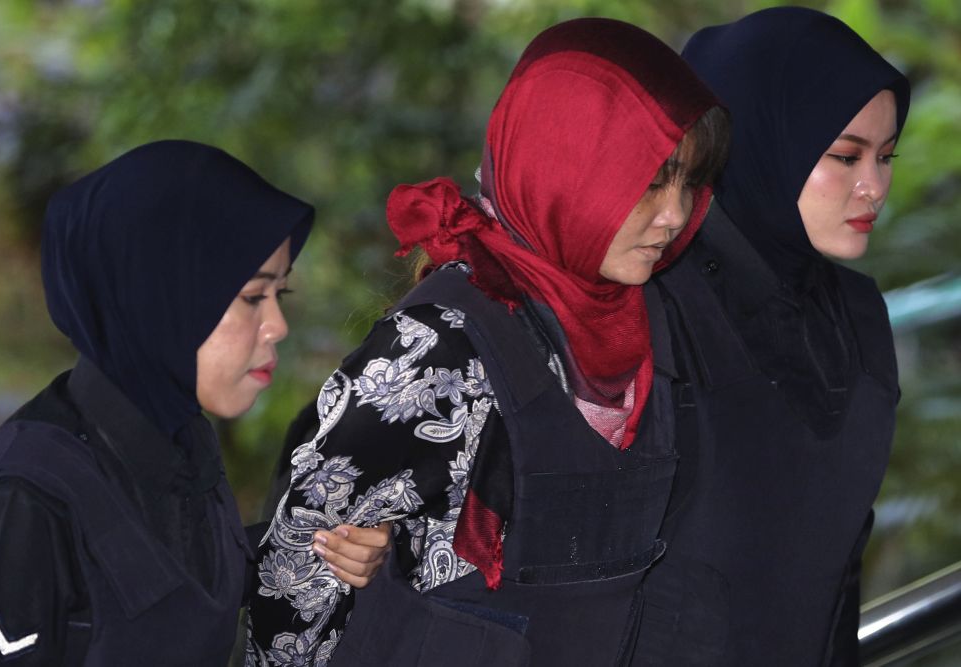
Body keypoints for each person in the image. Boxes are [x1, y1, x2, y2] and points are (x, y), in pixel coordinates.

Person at [246, 18, 730, 666]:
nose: (673, 215)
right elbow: (292, 570)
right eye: (647, 181)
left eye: (688, 183)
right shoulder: (441, 345)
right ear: (564, 164)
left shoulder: (646, 323)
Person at [0, 140, 317, 665]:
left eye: (278, 295)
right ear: (158, 293)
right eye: (250, 297)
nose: (278, 327)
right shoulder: (23, 500)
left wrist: (317, 549)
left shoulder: (177, 442)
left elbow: (167, 588)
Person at [634, 7, 911, 665]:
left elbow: (837, 574)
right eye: (844, 155)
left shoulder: (857, 316)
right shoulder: (644, 301)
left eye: (886, 156)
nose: (874, 186)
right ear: (758, 139)